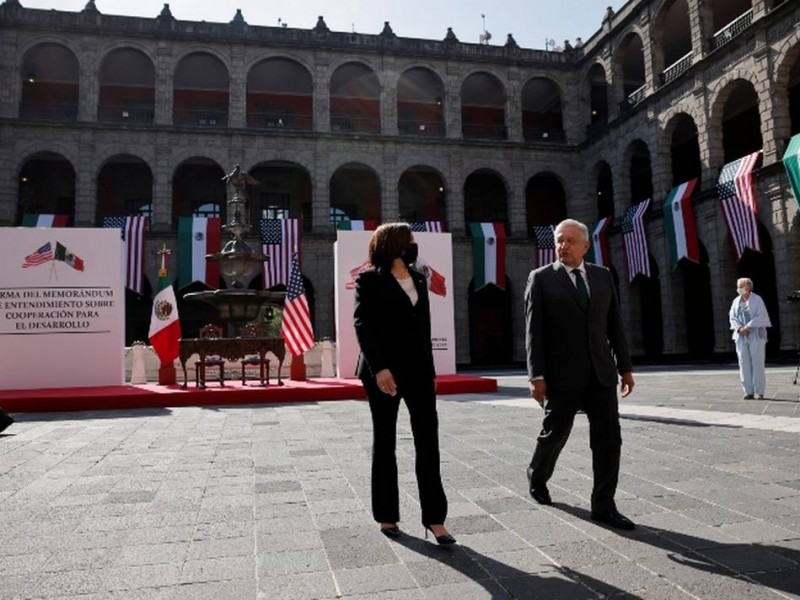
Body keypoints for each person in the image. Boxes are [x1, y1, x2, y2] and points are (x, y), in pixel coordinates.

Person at [524, 218, 636, 530]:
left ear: (585, 246)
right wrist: (537, 376)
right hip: (561, 376)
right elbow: (534, 333)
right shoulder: (541, 278)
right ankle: (538, 474)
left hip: (601, 374)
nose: (563, 246)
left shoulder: (602, 276)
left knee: (608, 439)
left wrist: (625, 367)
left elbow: (614, 325)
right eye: (560, 240)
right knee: (555, 433)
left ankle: (604, 505)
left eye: (571, 241)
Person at [353, 222, 455, 545]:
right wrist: (379, 367)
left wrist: (432, 373)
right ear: (393, 243)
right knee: (385, 441)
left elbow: (423, 328)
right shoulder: (368, 279)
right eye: (409, 240)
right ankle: (387, 516)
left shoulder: (419, 278)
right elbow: (363, 325)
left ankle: (436, 520)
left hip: (419, 372)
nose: (414, 245)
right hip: (383, 373)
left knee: (428, 441)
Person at [729, 278, 772, 400]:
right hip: (741, 336)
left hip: (755, 335)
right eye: (738, 286)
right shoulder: (736, 301)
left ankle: (759, 391)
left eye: (743, 286)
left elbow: (761, 315)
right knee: (744, 363)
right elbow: (732, 317)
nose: (740, 289)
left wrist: (748, 326)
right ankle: (748, 391)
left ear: (749, 288)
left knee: (757, 363)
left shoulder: (757, 299)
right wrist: (739, 329)